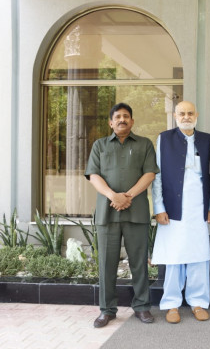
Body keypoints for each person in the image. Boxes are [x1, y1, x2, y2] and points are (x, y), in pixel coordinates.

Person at [85, 103, 159, 328]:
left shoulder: (144, 144)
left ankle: (142, 307)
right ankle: (107, 310)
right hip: (107, 214)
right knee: (106, 264)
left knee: (139, 263)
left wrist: (127, 196)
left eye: (126, 116)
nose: (122, 120)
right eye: (117, 117)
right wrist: (112, 196)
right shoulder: (99, 145)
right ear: (111, 122)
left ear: (132, 121)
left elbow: (149, 174)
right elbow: (93, 175)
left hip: (136, 213)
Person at [151, 101, 210, 324]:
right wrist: (159, 208)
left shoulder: (207, 139)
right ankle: (171, 304)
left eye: (190, 113)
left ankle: (198, 302)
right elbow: (157, 176)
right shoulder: (165, 139)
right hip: (173, 207)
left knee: (198, 256)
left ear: (196, 115)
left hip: (198, 206)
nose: (186, 116)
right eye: (182, 113)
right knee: (174, 256)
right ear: (175, 116)